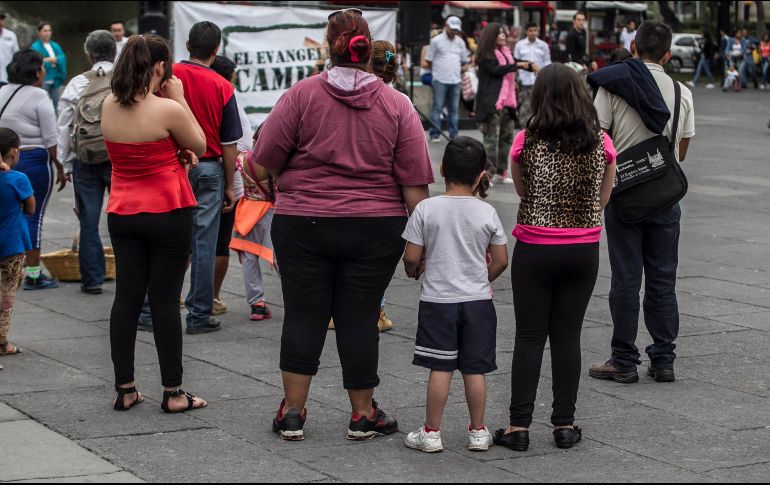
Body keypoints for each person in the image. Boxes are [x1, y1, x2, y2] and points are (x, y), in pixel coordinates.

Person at [251, 9, 433, 442]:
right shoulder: (397, 104)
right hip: (375, 227)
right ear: (368, 47)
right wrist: (421, 245)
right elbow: (415, 188)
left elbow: (261, 163)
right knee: (360, 316)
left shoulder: (301, 95)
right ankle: (362, 414)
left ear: (329, 46)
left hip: (303, 223)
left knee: (302, 314)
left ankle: (293, 413)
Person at [491, 63, 616, 453]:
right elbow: (604, 199)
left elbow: (524, 193)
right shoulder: (602, 142)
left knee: (529, 336)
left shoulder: (524, 141)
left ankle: (518, 426)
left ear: (539, 95)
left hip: (536, 246)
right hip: (582, 249)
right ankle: (564, 423)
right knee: (568, 336)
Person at [101, 34, 208, 414]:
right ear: (160, 68)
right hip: (168, 210)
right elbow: (201, 145)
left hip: (123, 212)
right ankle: (174, 392)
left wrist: (171, 152)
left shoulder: (108, 105)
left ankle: (125, 388)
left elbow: (136, 152)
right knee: (164, 301)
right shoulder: (167, 108)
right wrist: (178, 99)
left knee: (126, 299)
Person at [588, 21, 695, 384]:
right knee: (663, 279)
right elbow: (681, 148)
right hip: (665, 198)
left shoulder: (612, 86)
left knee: (626, 279)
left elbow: (600, 142)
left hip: (624, 197)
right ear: (667, 54)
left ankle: (623, 359)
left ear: (633, 46)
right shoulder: (682, 92)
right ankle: (663, 359)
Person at [402, 137, 508, 453]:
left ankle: (431, 433)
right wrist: (480, 278)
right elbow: (501, 259)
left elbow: (411, 256)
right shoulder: (487, 212)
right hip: (477, 302)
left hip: (438, 302)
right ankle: (477, 431)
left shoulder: (426, 208)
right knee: (475, 369)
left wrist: (415, 270)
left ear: (442, 169)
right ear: (480, 176)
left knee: (441, 367)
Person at [174, 22, 242, 335]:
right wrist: (230, 184)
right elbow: (230, 145)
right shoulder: (222, 86)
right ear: (215, 52)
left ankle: (151, 308)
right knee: (203, 244)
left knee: (168, 240)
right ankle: (199, 314)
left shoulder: (169, 76)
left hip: (173, 166)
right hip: (211, 166)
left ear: (188, 44)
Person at [0, 49, 66, 290]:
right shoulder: (39, 96)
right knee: (34, 217)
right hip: (34, 162)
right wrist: (61, 167)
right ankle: (34, 274)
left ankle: (12, 267)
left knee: (7, 215)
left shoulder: (2, 91)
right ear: (37, 71)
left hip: (5, 160)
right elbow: (51, 139)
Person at [57, 30, 116, 295]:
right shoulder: (124, 80)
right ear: (115, 53)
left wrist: (65, 163)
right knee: (123, 219)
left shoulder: (76, 83)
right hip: (119, 158)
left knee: (88, 220)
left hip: (85, 158)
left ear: (89, 54)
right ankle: (128, 275)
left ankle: (92, 280)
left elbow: (63, 127)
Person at [475, 23, 537, 185]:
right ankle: (488, 172)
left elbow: (514, 62)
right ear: (492, 36)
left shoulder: (506, 54)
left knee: (507, 137)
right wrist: (519, 65)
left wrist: (530, 65)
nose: (504, 36)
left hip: (507, 104)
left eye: (504, 33)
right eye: (500, 34)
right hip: (492, 103)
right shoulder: (484, 55)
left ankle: (502, 171)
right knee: (491, 139)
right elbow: (497, 70)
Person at [209, 54, 245, 317]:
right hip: (223, 173)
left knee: (189, 239)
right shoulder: (229, 98)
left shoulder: (191, 93)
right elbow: (238, 145)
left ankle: (176, 293)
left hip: (196, 169)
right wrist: (231, 184)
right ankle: (212, 296)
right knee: (221, 240)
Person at [0, 128, 34, 369]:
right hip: (12, 247)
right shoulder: (18, 179)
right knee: (6, 296)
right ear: (14, 152)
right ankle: (2, 343)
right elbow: (31, 208)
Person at [426, 16, 470, 142]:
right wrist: (439, 70)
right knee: (437, 107)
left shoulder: (460, 42)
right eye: (452, 29)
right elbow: (429, 60)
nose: (454, 32)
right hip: (440, 78)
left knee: (454, 108)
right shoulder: (435, 41)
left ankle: (453, 134)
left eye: (456, 30)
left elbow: (464, 61)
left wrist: (461, 68)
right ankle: (434, 134)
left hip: (455, 79)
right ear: (446, 26)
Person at [514, 22, 551, 129]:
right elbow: (515, 64)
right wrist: (515, 81)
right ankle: (524, 132)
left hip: (540, 82)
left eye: (535, 30)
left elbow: (547, 62)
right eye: (531, 31)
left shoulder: (543, 45)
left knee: (540, 108)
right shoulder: (519, 45)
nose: (533, 33)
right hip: (524, 83)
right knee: (525, 109)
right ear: (526, 31)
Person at [31, 22, 66, 111]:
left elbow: (62, 58)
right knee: (43, 104)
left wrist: (52, 60)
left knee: (56, 104)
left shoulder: (55, 45)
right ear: (39, 32)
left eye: (49, 30)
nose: (48, 33)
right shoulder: (35, 46)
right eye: (45, 31)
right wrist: (52, 60)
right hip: (44, 79)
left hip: (56, 79)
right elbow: (37, 61)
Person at [0, 11, 19, 87]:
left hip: (7, 77)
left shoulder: (11, 35)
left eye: (2, 19)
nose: (0, 22)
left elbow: (17, 55)